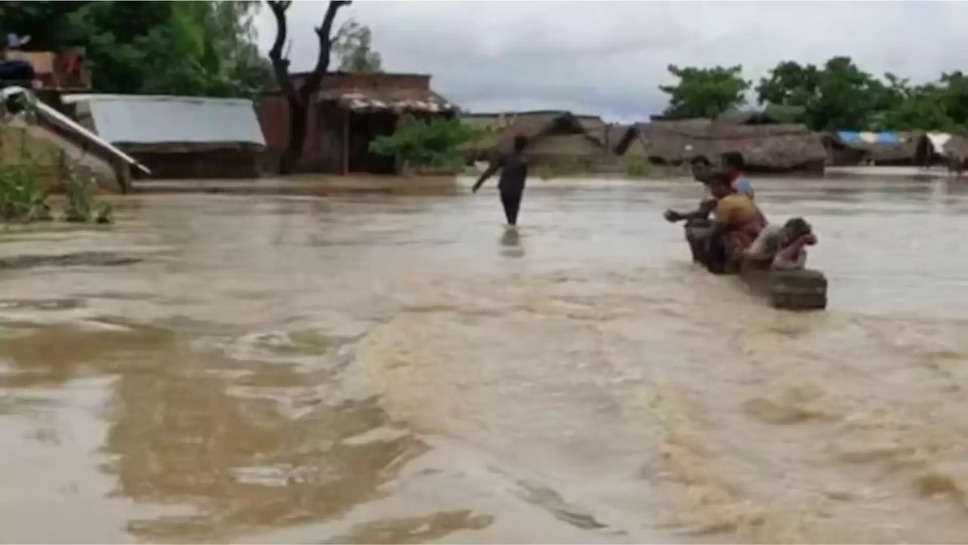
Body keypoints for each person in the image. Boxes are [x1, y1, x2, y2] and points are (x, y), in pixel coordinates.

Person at [705, 172, 765, 273]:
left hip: (748, 238)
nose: (711, 192)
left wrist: (699, 236)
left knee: (715, 238)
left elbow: (715, 230)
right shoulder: (742, 197)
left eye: (712, 188)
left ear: (721, 186)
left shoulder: (725, 202)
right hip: (760, 234)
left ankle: (721, 271)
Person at [663, 156, 717, 262]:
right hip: (721, 218)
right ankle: (700, 260)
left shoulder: (716, 184)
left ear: (709, 168)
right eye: (694, 170)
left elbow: (703, 212)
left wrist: (679, 216)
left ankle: (700, 259)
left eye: (700, 169)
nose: (696, 172)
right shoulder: (707, 187)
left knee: (693, 225)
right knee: (692, 223)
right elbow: (703, 211)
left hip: (728, 219)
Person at [473, 134, 529, 226]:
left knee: (509, 217)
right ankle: (512, 234)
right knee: (513, 218)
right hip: (516, 191)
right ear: (525, 146)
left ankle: (510, 234)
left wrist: (478, 184)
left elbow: (491, 170)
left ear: (514, 144)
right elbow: (523, 178)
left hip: (504, 190)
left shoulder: (506, 156)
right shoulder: (524, 161)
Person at [745, 217, 818, 270]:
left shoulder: (789, 237)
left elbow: (813, 240)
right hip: (757, 259)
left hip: (771, 259)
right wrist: (800, 241)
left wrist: (802, 240)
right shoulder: (775, 232)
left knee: (802, 252)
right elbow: (777, 263)